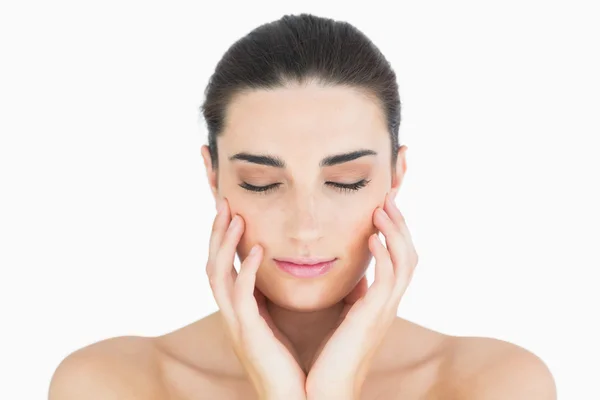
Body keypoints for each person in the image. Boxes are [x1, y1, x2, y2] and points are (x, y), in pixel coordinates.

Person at [48, 13, 556, 399]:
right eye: (263, 183)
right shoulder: (109, 383)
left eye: (347, 181)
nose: (306, 227)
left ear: (397, 175)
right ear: (213, 177)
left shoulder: (496, 383)